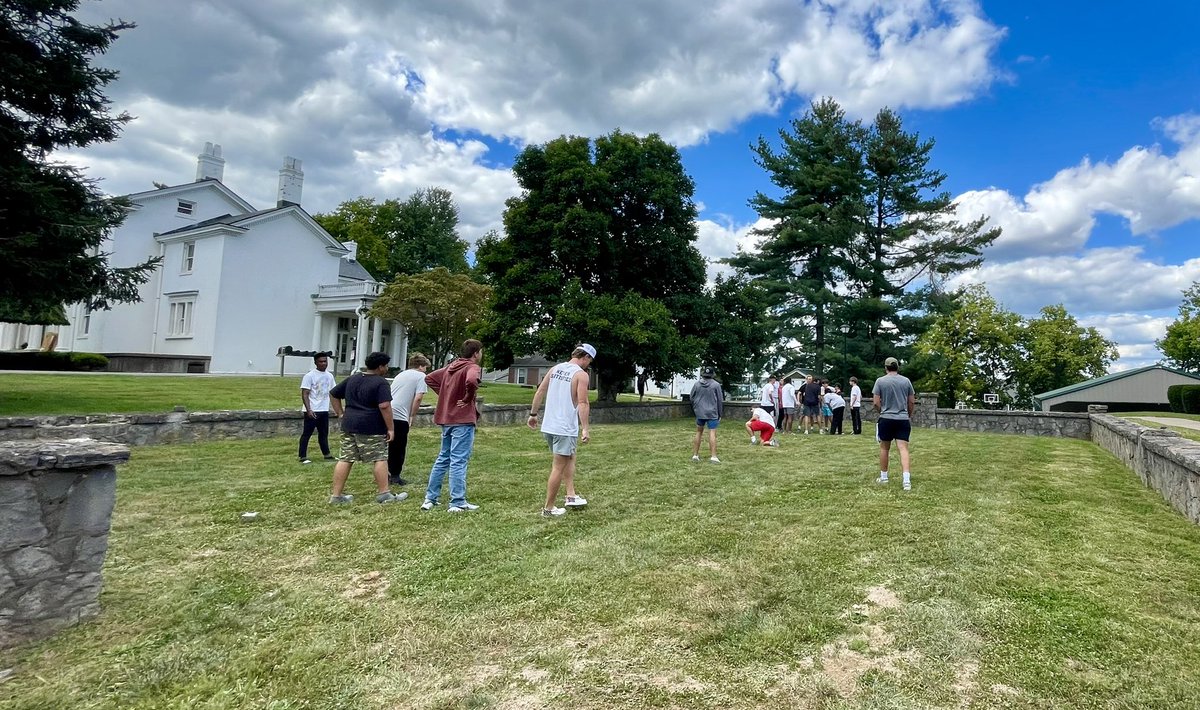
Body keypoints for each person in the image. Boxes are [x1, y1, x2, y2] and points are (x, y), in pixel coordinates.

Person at [327, 351, 406, 505]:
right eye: (386, 365)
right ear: (380, 366)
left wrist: (340, 413)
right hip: (372, 427)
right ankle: (384, 494)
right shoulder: (380, 382)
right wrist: (391, 428)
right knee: (379, 458)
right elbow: (384, 406)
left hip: (349, 425)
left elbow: (333, 393)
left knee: (346, 458)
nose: (387, 369)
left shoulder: (353, 378)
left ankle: (336, 496)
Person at [528, 344, 595, 516]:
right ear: (586, 357)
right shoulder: (581, 375)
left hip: (549, 426)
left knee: (570, 456)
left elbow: (540, 391)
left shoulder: (555, 369)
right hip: (564, 428)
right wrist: (585, 428)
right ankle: (548, 508)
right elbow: (583, 402)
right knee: (558, 467)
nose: (589, 364)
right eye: (590, 361)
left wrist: (533, 414)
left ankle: (571, 495)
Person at [422, 339, 484, 512]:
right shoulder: (472, 367)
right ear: (476, 353)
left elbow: (430, 378)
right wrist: (466, 397)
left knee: (443, 458)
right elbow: (472, 381)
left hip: (446, 419)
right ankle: (457, 502)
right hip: (462, 420)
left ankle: (430, 498)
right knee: (458, 459)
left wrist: (445, 394)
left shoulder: (452, 366)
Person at [873, 356, 916, 491]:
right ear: (897, 367)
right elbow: (911, 401)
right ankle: (906, 481)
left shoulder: (880, 381)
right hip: (902, 419)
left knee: (884, 448)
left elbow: (875, 402)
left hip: (886, 418)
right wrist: (907, 414)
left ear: (886, 368)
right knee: (903, 448)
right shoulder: (906, 381)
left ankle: (884, 477)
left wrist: (882, 411)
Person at [387, 352, 430, 486]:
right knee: (399, 446)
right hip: (400, 414)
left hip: (388, 411)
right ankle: (395, 475)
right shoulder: (421, 376)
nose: (426, 370)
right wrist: (412, 415)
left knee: (388, 445)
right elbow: (418, 398)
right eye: (426, 367)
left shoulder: (401, 374)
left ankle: (385, 473)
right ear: (421, 366)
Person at [299, 353, 336, 464]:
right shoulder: (309, 376)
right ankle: (302, 456)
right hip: (312, 410)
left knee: (323, 433)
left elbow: (333, 392)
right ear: (316, 362)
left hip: (323, 409)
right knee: (307, 433)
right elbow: (305, 393)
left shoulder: (329, 376)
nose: (323, 364)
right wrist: (309, 409)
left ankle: (327, 454)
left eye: (325, 361)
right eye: (321, 361)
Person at [689, 365, 724, 463]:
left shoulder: (697, 384)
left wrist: (696, 408)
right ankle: (713, 457)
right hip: (712, 413)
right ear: (712, 375)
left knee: (698, 432)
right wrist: (720, 414)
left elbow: (691, 397)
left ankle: (695, 455)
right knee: (712, 433)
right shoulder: (716, 385)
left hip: (700, 412)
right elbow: (720, 400)